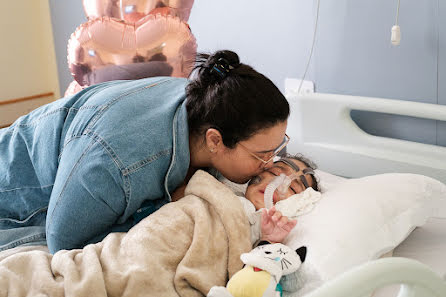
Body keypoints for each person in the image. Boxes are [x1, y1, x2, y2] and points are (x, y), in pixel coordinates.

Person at [0, 50, 290, 254]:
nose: (269, 164)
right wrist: (157, 210)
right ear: (215, 141)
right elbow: (63, 242)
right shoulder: (119, 163)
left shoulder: (205, 100)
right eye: (261, 155)